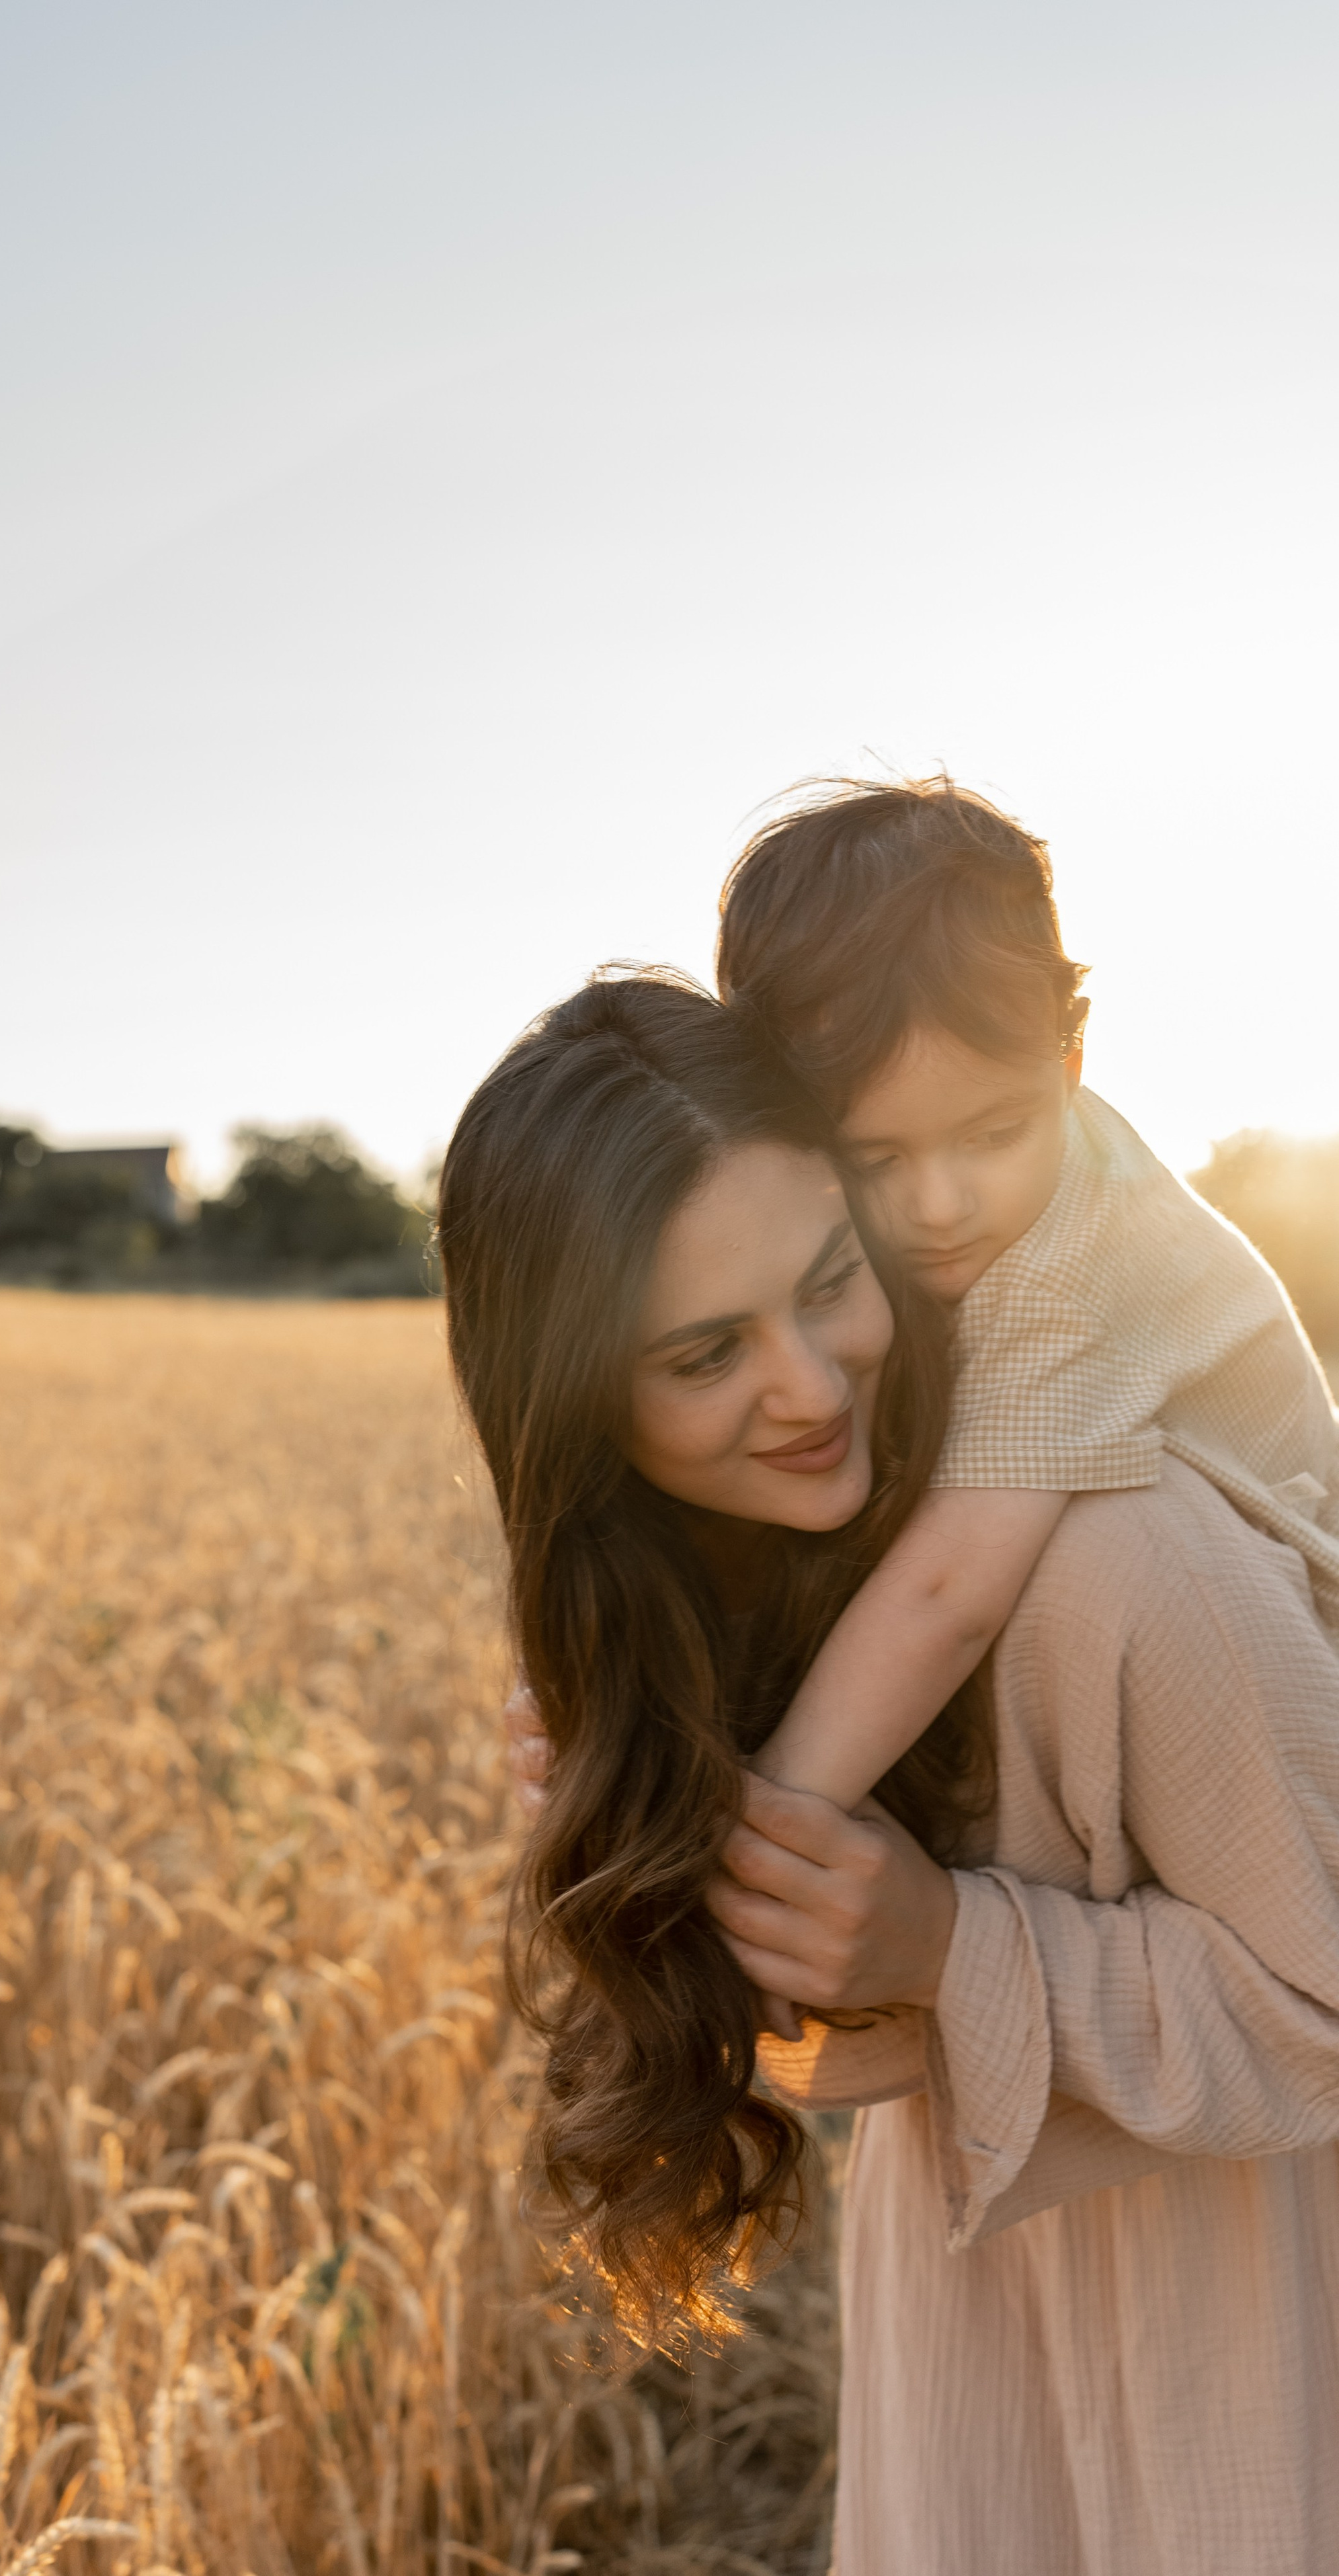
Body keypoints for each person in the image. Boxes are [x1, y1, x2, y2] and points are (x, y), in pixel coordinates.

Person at [446, 970, 1339, 2572]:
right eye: (706, 1353)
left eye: (831, 1281)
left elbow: (1322, 2009)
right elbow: (840, 2049)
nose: (807, 1385)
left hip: (1248, 2322)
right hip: (979, 2320)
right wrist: (698, 1868)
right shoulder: (799, 1571)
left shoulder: (1133, 1561)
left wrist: (942, 1945)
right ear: (577, 1415)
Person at [713, 779, 1339, 1834]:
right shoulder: (971, 1218)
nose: (940, 1204)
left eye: (994, 1134)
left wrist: (765, 1821)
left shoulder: (1074, 1264)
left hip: (1286, 1661)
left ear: (1072, 1052)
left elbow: (948, 1593)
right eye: (874, 1158)